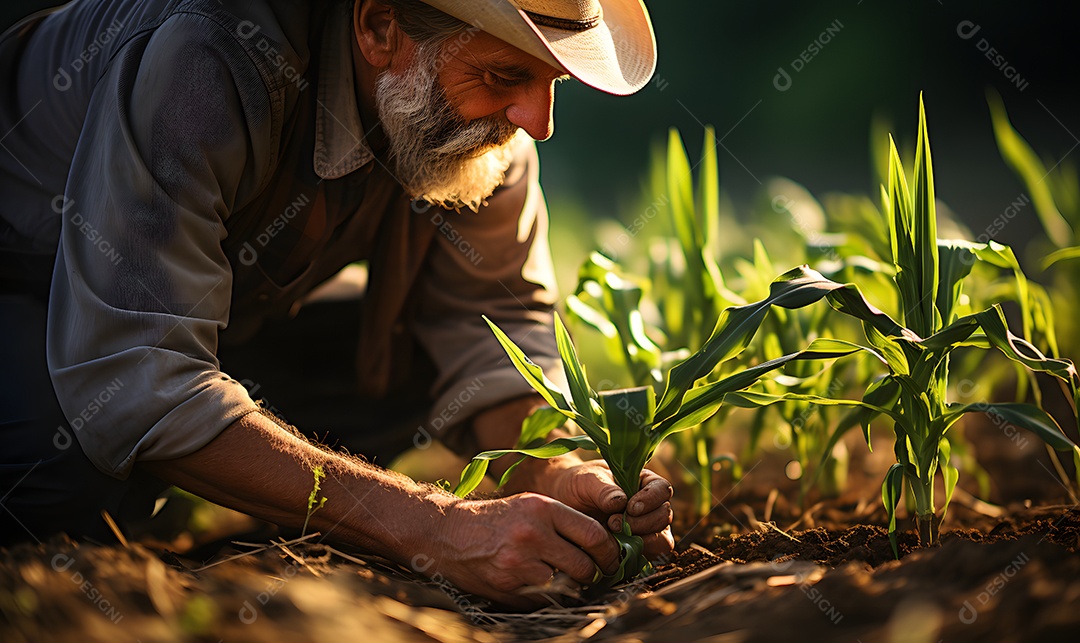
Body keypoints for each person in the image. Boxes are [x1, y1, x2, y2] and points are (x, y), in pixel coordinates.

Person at [0, 0, 673, 606]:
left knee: (405, 358)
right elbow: (130, 368)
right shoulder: (206, 57)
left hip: (217, 322)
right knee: (61, 464)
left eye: (549, 81)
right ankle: (148, 484)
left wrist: (552, 465)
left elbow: (493, 323)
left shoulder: (494, 130)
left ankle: (185, 470)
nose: (538, 122)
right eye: (504, 77)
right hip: (40, 299)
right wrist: (434, 526)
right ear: (379, 26)